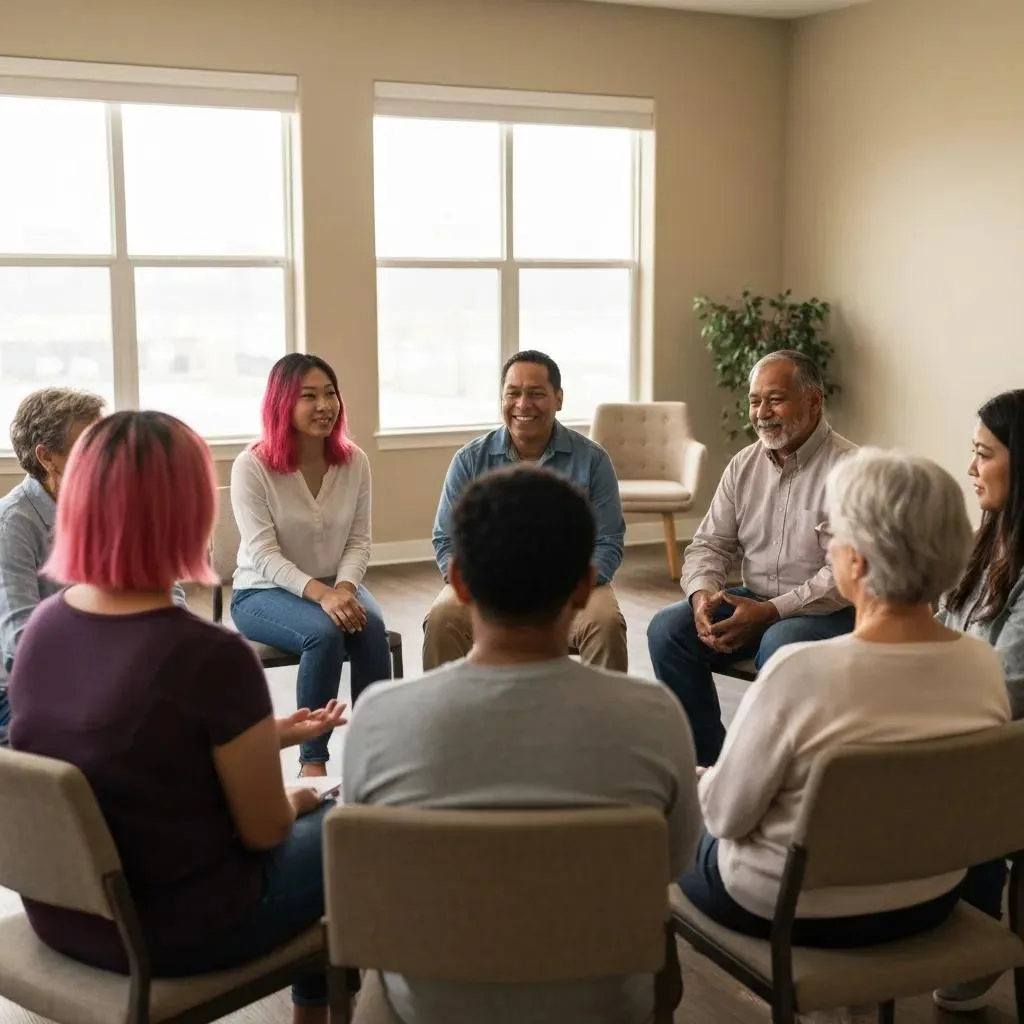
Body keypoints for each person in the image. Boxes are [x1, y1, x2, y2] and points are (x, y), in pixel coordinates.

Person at [8, 411, 345, 1024]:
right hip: (174, 931)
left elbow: (135, 751)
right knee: (355, 827)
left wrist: (269, 737)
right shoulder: (208, 655)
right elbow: (265, 832)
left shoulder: (45, 629)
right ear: (190, 510)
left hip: (63, 915)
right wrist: (301, 799)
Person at [344, 465, 700, 1024]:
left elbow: (368, 880)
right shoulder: (654, 717)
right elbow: (675, 862)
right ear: (585, 587)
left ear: (458, 582)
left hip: (429, 1006)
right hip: (603, 1004)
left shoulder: (379, 717)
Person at [679, 448, 1009, 955]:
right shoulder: (984, 667)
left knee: (669, 815)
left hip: (785, 904)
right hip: (927, 896)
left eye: (832, 536)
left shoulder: (800, 670)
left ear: (856, 558)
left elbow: (727, 819)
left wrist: (705, 786)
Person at [647, 350, 857, 766]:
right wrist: (702, 597)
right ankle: (715, 764)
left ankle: (779, 771)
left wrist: (769, 613)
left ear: (813, 401)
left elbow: (844, 575)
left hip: (832, 610)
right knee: (667, 630)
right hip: (754, 597)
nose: (762, 413)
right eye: (754, 400)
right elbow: (709, 544)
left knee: (783, 643)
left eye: (775, 399)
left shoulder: (851, 469)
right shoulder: (743, 464)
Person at [230, 353, 392, 778]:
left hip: (338, 584)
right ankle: (313, 761)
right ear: (282, 403)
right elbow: (263, 555)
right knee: (323, 633)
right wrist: (325, 596)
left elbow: (359, 540)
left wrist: (345, 589)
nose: (325, 405)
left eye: (330, 393)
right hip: (262, 591)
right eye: (309, 396)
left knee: (372, 628)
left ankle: (375, 753)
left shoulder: (354, 460)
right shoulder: (252, 466)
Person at [424, 350, 628, 672]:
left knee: (605, 623)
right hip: (487, 589)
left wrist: (565, 586)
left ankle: (600, 721)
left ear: (558, 398)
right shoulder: (469, 460)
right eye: (513, 393)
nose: (523, 404)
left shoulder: (593, 461)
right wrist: (484, 586)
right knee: (442, 619)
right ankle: (449, 717)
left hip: (569, 587)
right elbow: (445, 539)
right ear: (502, 398)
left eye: (536, 394)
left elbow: (608, 542)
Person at [931, 388, 1024, 1013]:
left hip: (998, 740)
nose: (971, 468)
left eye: (983, 454)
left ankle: (975, 911)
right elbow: (940, 624)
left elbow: (1007, 686)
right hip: (967, 720)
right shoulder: (988, 539)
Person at [0, 388, 105, 745]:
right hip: (19, 692)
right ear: (47, 457)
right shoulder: (11, 524)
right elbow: (21, 647)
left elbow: (166, 584)